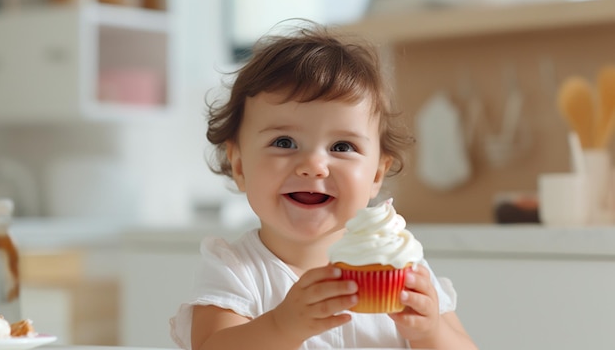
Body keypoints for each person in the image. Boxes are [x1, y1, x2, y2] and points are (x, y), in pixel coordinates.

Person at [170, 21, 478, 350]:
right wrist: (281, 326)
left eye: (342, 147)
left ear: (376, 174)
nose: (313, 166)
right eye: (285, 142)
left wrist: (430, 333)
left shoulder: (401, 266)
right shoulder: (236, 270)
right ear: (240, 165)